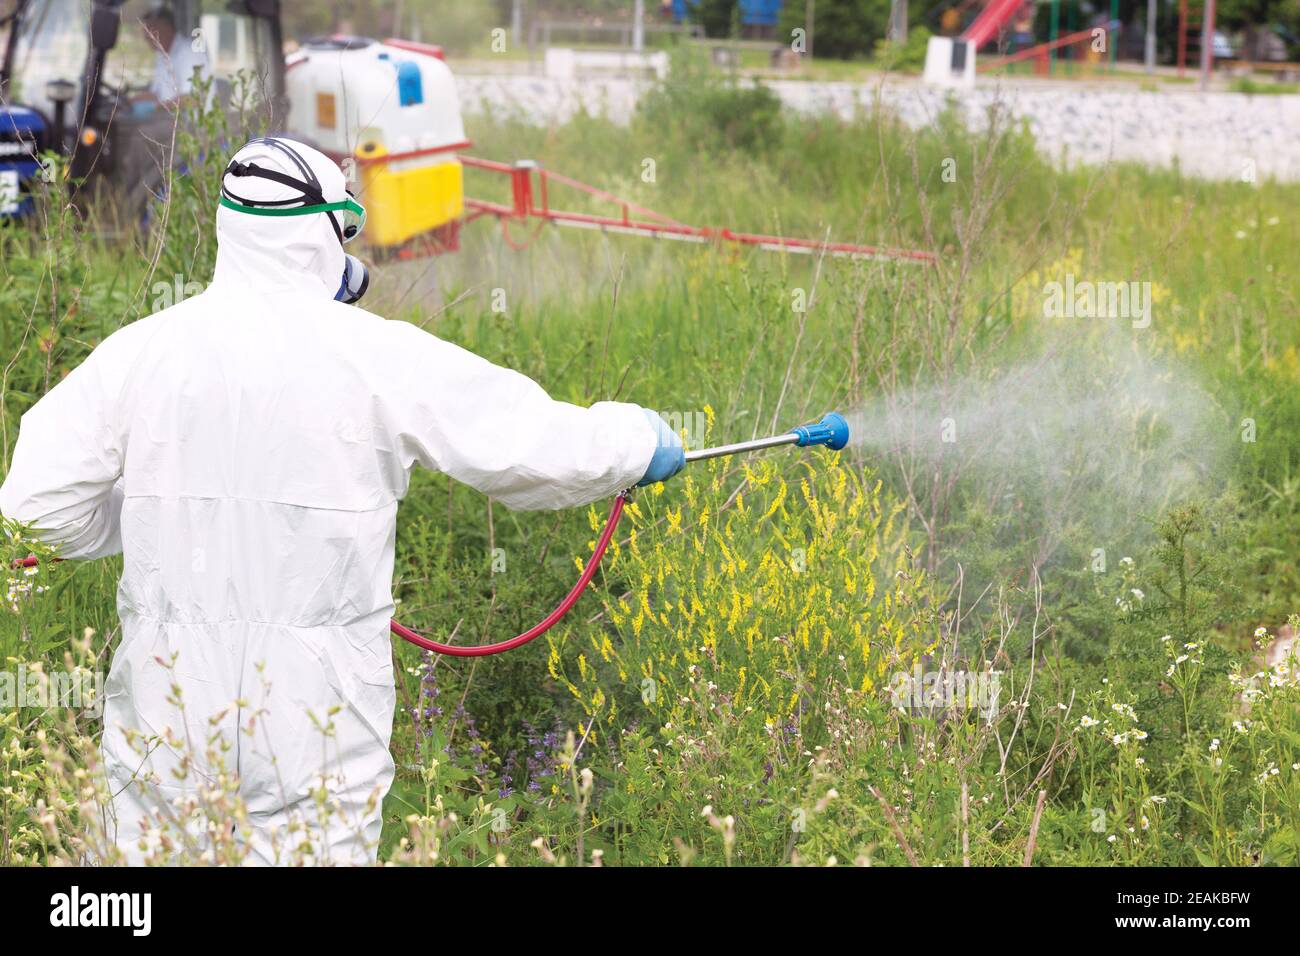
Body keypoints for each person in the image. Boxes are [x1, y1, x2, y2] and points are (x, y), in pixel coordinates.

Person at [0, 137, 685, 865]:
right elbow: (525, 442)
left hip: (167, 712)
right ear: (325, 231)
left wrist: (151, 515)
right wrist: (634, 442)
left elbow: (36, 508)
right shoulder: (375, 354)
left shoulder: (142, 352)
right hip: (313, 718)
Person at [136, 5, 211, 109]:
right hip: (170, 119)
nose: (145, 36)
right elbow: (156, 94)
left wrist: (156, 108)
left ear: (165, 28)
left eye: (149, 29)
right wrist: (128, 101)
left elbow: (192, 99)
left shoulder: (189, 53)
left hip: (190, 123)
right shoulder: (162, 55)